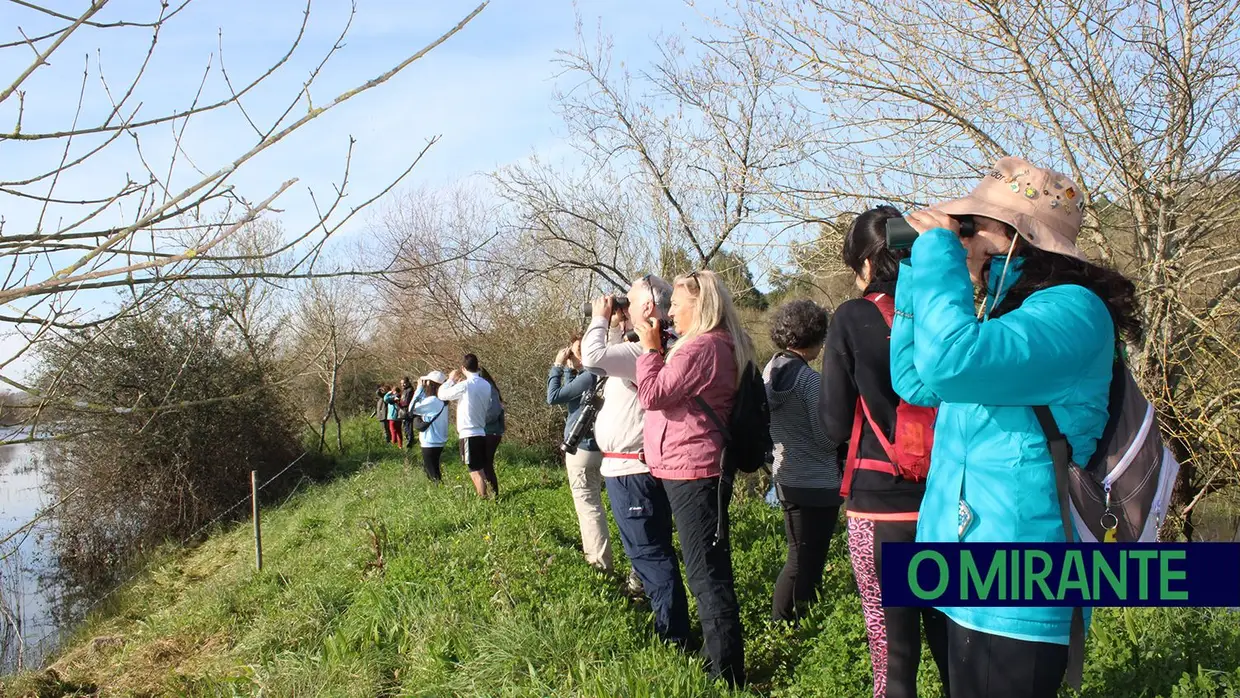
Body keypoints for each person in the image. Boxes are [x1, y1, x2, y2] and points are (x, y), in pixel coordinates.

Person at [890, 157, 1138, 698]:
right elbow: (916, 380)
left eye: (970, 226)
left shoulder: (1072, 312)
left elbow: (950, 363)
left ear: (1010, 235)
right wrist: (915, 274)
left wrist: (937, 256)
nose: (961, 239)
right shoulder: (1002, 315)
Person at [820, 205, 950, 698]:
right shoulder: (945, 313)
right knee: (950, 642)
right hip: (946, 503)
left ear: (867, 263)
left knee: (893, 658)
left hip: (878, 507)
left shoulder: (852, 317)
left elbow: (833, 421)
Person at [634, 269, 752, 687]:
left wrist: (650, 350)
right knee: (707, 569)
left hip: (693, 471)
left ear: (699, 307)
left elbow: (652, 394)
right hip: (694, 468)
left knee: (706, 575)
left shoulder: (700, 347)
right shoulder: (718, 343)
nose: (670, 315)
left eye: (677, 307)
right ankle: (720, 658)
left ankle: (727, 675)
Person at [580, 275, 691, 650]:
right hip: (637, 468)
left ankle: (674, 640)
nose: (620, 308)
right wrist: (616, 326)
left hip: (632, 471)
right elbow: (602, 365)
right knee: (652, 552)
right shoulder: (655, 348)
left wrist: (599, 317)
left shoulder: (641, 354)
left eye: (628, 302)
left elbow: (592, 357)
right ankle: (671, 627)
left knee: (651, 555)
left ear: (646, 308)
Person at [763, 299, 841, 623]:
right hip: (819, 483)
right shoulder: (811, 382)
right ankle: (785, 622)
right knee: (807, 560)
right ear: (814, 339)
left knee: (798, 555)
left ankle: (792, 622)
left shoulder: (769, 372)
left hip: (786, 476)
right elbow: (825, 440)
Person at [547, 334, 614, 573]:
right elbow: (574, 401)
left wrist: (556, 366)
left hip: (582, 449)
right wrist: (569, 370)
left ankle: (600, 563)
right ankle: (597, 556)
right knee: (594, 503)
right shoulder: (606, 373)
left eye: (577, 351)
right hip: (600, 447)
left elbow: (553, 396)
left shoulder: (589, 376)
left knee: (588, 507)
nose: (574, 356)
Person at [438, 354, 495, 498]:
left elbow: (442, 395)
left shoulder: (466, 385)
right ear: (477, 366)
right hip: (481, 431)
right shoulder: (486, 384)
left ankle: (483, 499)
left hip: (468, 433)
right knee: (480, 469)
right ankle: (487, 497)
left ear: (463, 368)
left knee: (474, 470)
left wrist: (450, 380)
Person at [409, 371, 450, 482]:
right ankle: (439, 491)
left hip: (431, 441)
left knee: (432, 473)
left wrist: (419, 389)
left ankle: (439, 493)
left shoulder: (432, 401)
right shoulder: (442, 400)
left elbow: (411, 408)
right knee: (434, 470)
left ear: (431, 384)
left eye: (426, 382)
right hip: (438, 440)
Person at [477, 365, 505, 496]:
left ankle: (494, 494)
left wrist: (478, 421)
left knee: (487, 464)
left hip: (491, 431)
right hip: (487, 431)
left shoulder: (489, 388)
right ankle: (491, 493)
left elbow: (493, 412)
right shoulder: (487, 387)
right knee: (484, 464)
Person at [398, 376, 416, 449]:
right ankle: (408, 442)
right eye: (401, 383)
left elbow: (406, 402)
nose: (402, 385)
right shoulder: (405, 390)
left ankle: (410, 443)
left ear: (408, 383)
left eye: (404, 383)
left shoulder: (410, 390)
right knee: (405, 427)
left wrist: (398, 402)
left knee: (408, 427)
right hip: (404, 411)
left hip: (408, 412)